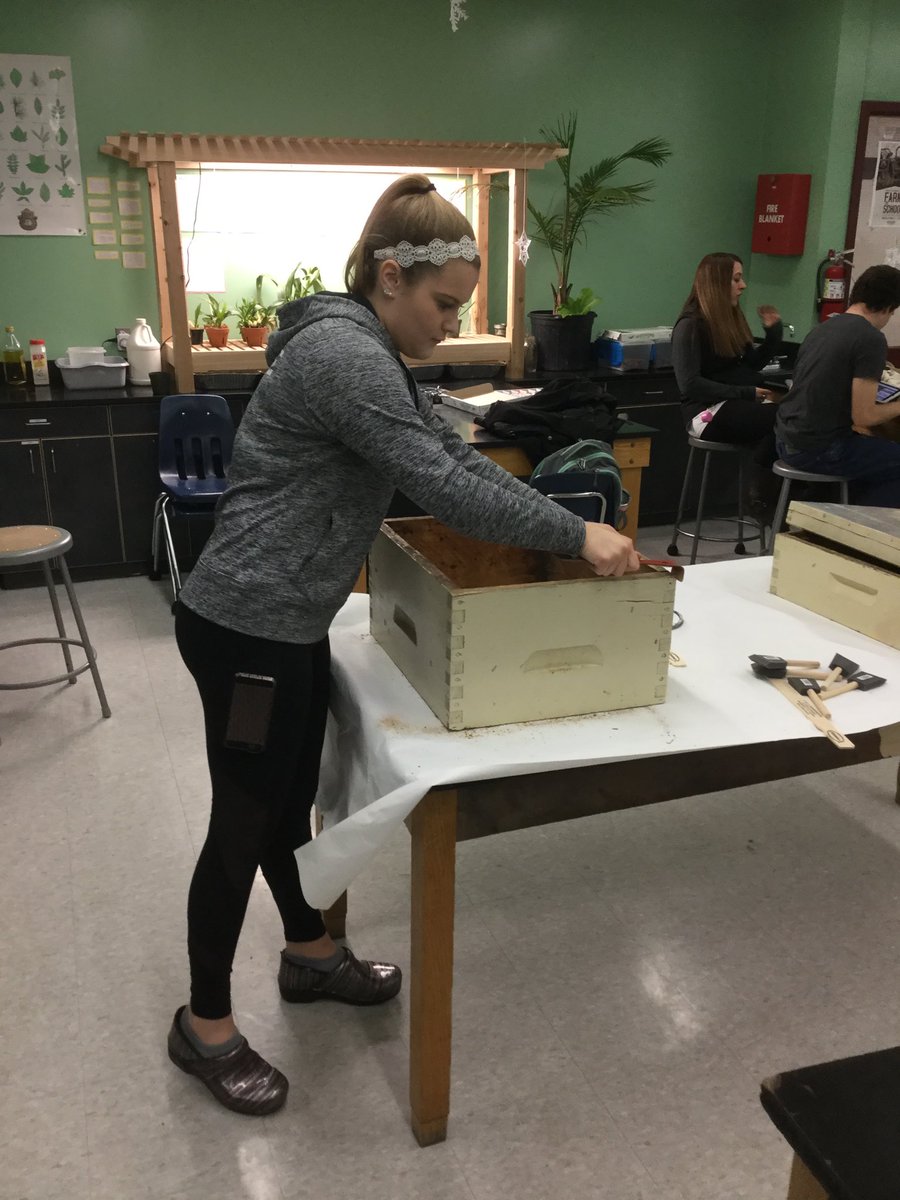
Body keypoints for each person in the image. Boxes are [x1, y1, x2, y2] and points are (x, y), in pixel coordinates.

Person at [168, 174, 641, 1116]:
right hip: (246, 623)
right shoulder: (343, 356)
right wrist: (575, 534)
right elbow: (446, 487)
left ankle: (307, 953)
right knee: (241, 820)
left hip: (288, 619)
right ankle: (204, 1026)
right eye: (443, 305)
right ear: (390, 276)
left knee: (286, 802)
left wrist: (555, 511)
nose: (450, 324)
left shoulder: (366, 346)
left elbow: (454, 455)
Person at [775, 264, 900, 506]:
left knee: (875, 453)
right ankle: (858, 532)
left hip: (786, 439)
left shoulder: (822, 329)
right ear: (888, 307)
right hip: (818, 448)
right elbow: (864, 416)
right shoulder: (871, 338)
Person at [672, 253, 785, 500]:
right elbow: (690, 384)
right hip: (703, 414)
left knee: (791, 414)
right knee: (784, 418)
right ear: (717, 283)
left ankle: (765, 492)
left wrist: (773, 335)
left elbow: (750, 365)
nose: (743, 285)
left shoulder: (729, 319)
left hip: (732, 404)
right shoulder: (690, 325)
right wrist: (746, 393)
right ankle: (763, 494)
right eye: (736, 279)